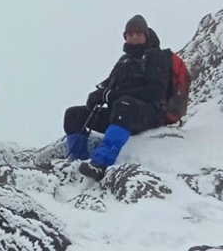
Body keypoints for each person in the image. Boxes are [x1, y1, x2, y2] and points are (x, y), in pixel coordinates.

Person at [64, 15, 172, 181]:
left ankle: (100, 163)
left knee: (124, 104)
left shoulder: (156, 56)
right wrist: (98, 95)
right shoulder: (124, 61)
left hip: (150, 115)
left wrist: (114, 95)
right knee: (73, 115)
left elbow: (156, 91)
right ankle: (78, 161)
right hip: (122, 115)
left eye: (138, 33)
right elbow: (110, 86)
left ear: (146, 36)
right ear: (125, 36)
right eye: (130, 33)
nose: (134, 36)